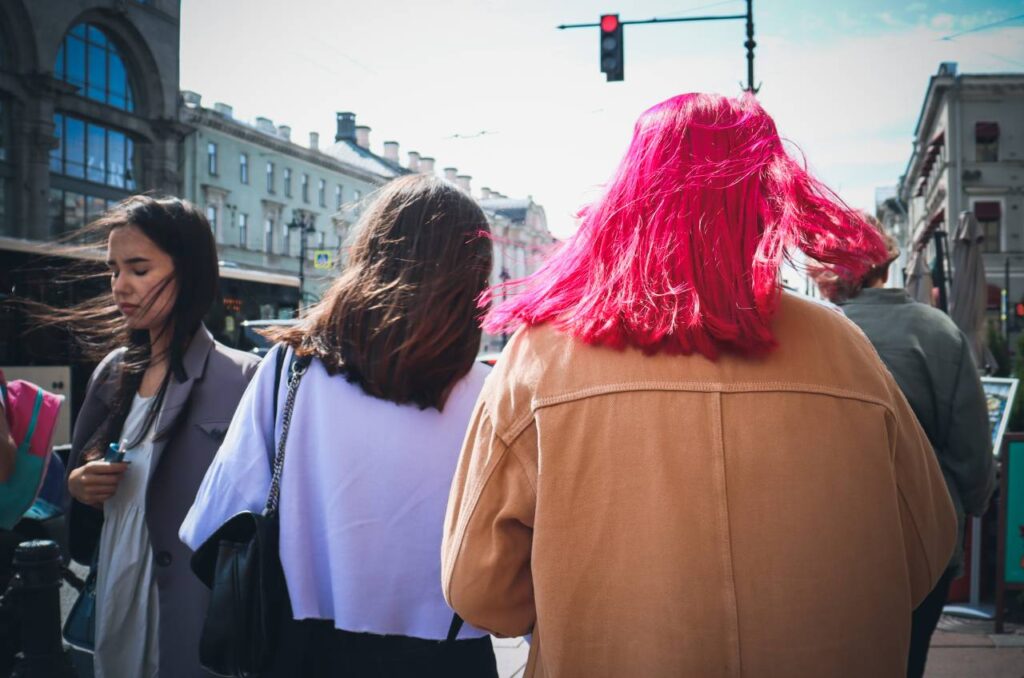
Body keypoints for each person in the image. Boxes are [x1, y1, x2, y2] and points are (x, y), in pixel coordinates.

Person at [442, 93, 957, 677]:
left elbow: (477, 585)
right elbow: (926, 548)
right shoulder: (846, 350)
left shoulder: (540, 357)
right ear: (770, 198)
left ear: (630, 197)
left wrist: (575, 607)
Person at [181, 175, 498, 677]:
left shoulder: (290, 371)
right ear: (473, 281)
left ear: (369, 256)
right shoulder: (490, 393)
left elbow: (213, 520)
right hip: (451, 651)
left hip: (303, 649)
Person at [62, 196, 259, 677]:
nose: (120, 286)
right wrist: (79, 485)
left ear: (188, 271)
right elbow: (82, 481)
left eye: (139, 269)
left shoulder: (242, 378)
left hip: (195, 603)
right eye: (113, 271)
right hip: (117, 583)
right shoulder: (112, 373)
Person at [813, 216, 995, 678]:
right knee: (909, 662)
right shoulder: (939, 331)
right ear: (884, 265)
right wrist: (974, 506)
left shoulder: (810, 336)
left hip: (830, 538)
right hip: (928, 531)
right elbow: (971, 447)